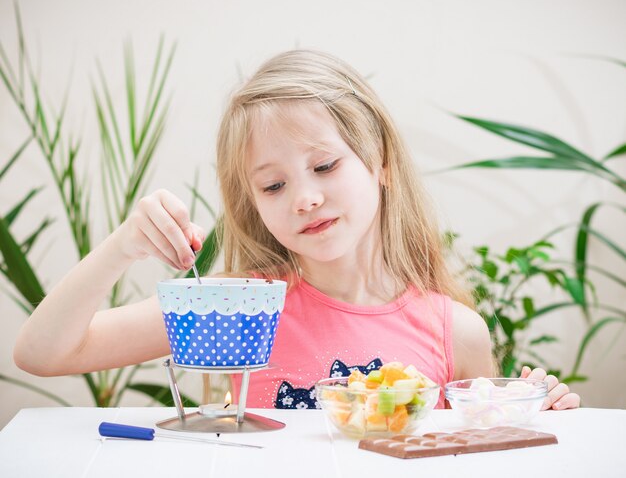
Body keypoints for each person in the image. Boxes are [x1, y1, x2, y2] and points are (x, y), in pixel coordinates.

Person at [13, 49, 580, 411]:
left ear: (379, 161)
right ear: (253, 202)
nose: (305, 198)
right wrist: (121, 248)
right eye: (273, 186)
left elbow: (479, 452)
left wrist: (542, 408)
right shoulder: (240, 308)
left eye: (325, 166)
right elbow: (41, 353)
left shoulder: (457, 331)